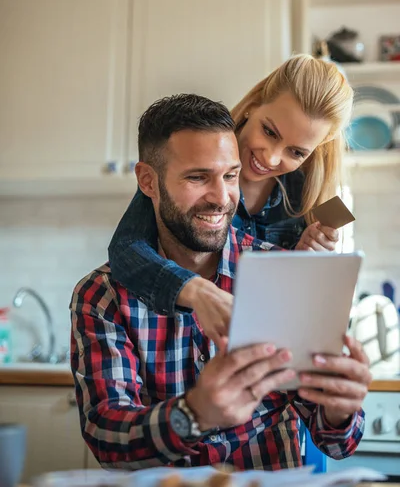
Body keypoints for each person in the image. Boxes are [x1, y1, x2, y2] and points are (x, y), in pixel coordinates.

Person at [70, 94, 370, 471]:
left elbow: (338, 443)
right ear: (148, 180)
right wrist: (193, 414)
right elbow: (105, 436)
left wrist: (339, 411)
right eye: (197, 177)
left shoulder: (280, 272)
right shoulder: (102, 294)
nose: (221, 198)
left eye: (231, 176)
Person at [108, 54, 353, 345]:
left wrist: (301, 264)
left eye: (296, 152)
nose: (271, 157)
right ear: (252, 106)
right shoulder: (192, 158)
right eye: (269, 131)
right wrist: (196, 291)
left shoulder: (308, 196)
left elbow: (296, 314)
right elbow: (125, 251)